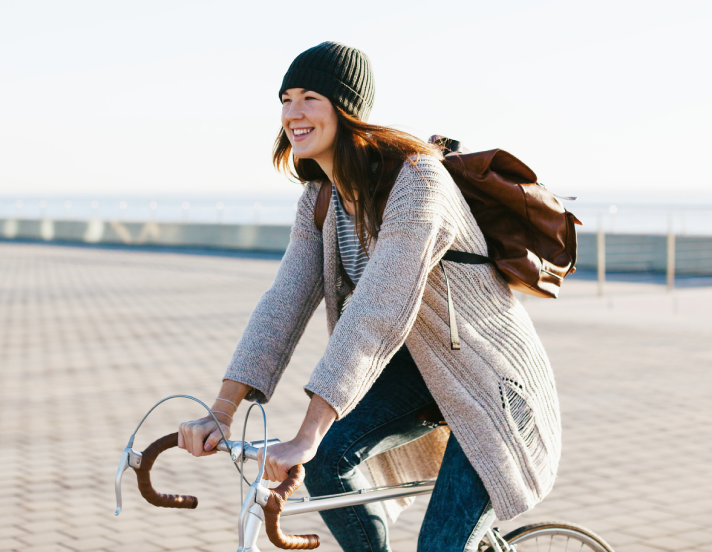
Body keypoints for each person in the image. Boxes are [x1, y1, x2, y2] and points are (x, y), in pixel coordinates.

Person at [178, 41, 561, 552]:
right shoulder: (320, 199)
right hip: (419, 377)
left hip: (491, 390)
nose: (293, 112)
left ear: (346, 109)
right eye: (286, 98)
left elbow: (376, 313)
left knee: (440, 545)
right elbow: (282, 305)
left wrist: (307, 432)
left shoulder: (417, 180)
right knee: (329, 463)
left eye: (310, 97)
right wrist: (220, 412)